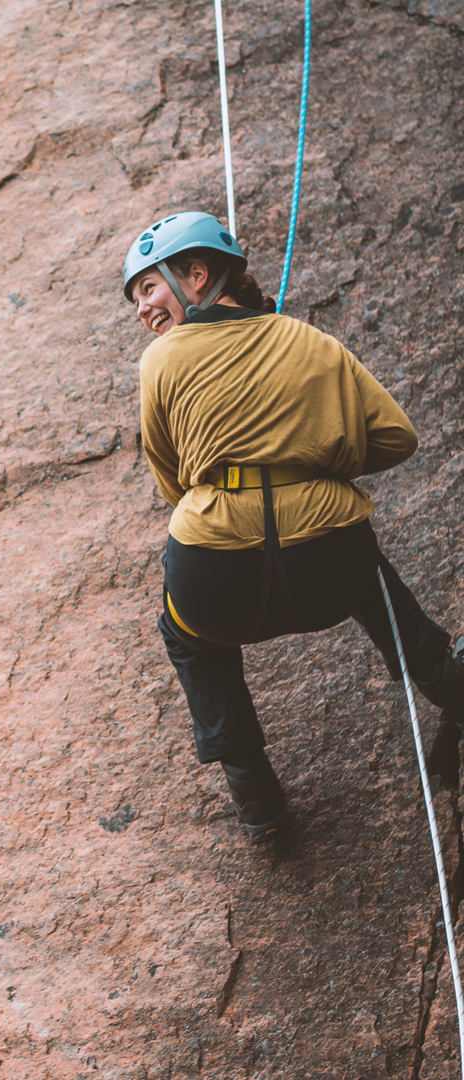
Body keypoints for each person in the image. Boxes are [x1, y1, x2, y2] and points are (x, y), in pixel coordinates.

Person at [123, 211, 464, 841]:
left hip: (215, 577)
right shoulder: (310, 342)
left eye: (148, 286)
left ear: (197, 274)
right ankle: (450, 681)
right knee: (363, 565)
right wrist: (317, 462)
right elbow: (397, 437)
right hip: (328, 571)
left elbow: (173, 488)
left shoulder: (160, 362)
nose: (142, 308)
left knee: (188, 635)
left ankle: (259, 808)